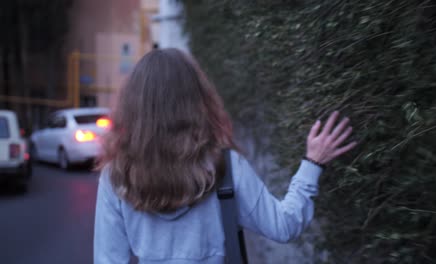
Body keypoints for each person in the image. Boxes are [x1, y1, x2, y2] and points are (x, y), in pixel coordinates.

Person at [94, 48, 357, 264]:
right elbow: (284, 226)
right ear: (196, 101)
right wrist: (312, 163)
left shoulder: (116, 176)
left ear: (133, 108)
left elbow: (107, 260)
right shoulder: (226, 167)